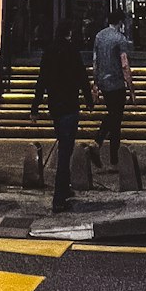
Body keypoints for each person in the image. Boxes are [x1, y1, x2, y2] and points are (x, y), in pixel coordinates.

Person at [31, 19, 95, 213]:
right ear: (69, 33)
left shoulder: (49, 52)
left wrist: (35, 107)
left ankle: (65, 188)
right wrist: (89, 100)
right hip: (70, 106)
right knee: (65, 151)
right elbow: (82, 77)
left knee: (63, 145)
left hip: (55, 107)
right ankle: (59, 197)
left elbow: (41, 80)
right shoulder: (71, 51)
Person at [91, 9, 135, 167]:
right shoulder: (120, 39)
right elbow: (124, 65)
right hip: (117, 83)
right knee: (116, 116)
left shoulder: (99, 36)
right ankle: (98, 143)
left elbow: (95, 62)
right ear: (120, 22)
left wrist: (95, 84)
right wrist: (131, 88)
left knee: (114, 118)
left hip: (104, 83)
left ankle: (113, 158)